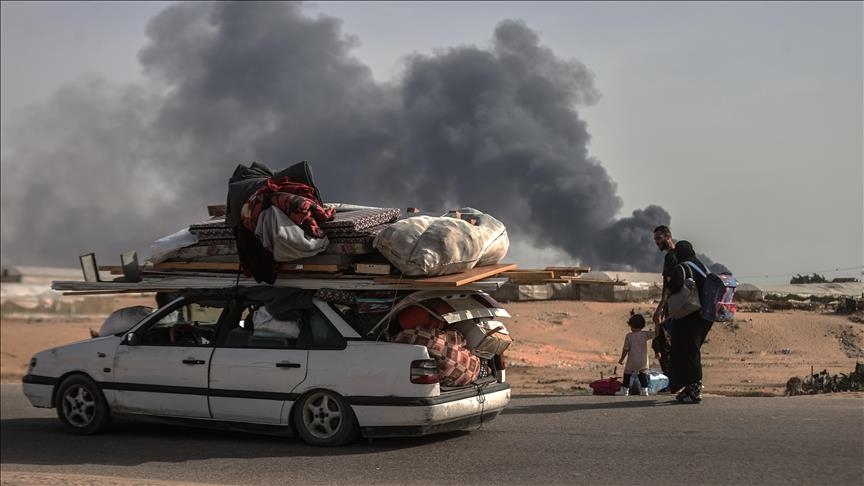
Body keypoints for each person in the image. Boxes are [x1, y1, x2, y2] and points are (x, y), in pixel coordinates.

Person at [666, 240, 713, 403]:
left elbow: (673, 286)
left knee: (687, 351)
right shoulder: (702, 267)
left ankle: (694, 390)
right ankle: (689, 388)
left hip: (689, 315)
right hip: (704, 317)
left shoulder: (683, 267)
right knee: (690, 351)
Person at [651, 225, 676, 378]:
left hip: (672, 306)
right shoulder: (677, 255)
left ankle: (672, 378)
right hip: (679, 305)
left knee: (664, 342)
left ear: (668, 237)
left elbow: (669, 285)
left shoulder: (671, 257)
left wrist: (660, 308)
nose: (657, 242)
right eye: (655, 239)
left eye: (659, 238)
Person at [617, 313, 654, 396]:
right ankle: (645, 390)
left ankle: (625, 390)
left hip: (632, 360)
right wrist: (658, 324)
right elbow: (656, 334)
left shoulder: (629, 336)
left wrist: (621, 359)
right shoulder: (645, 334)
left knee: (627, 374)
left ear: (631, 325)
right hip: (643, 360)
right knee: (643, 374)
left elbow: (625, 349)